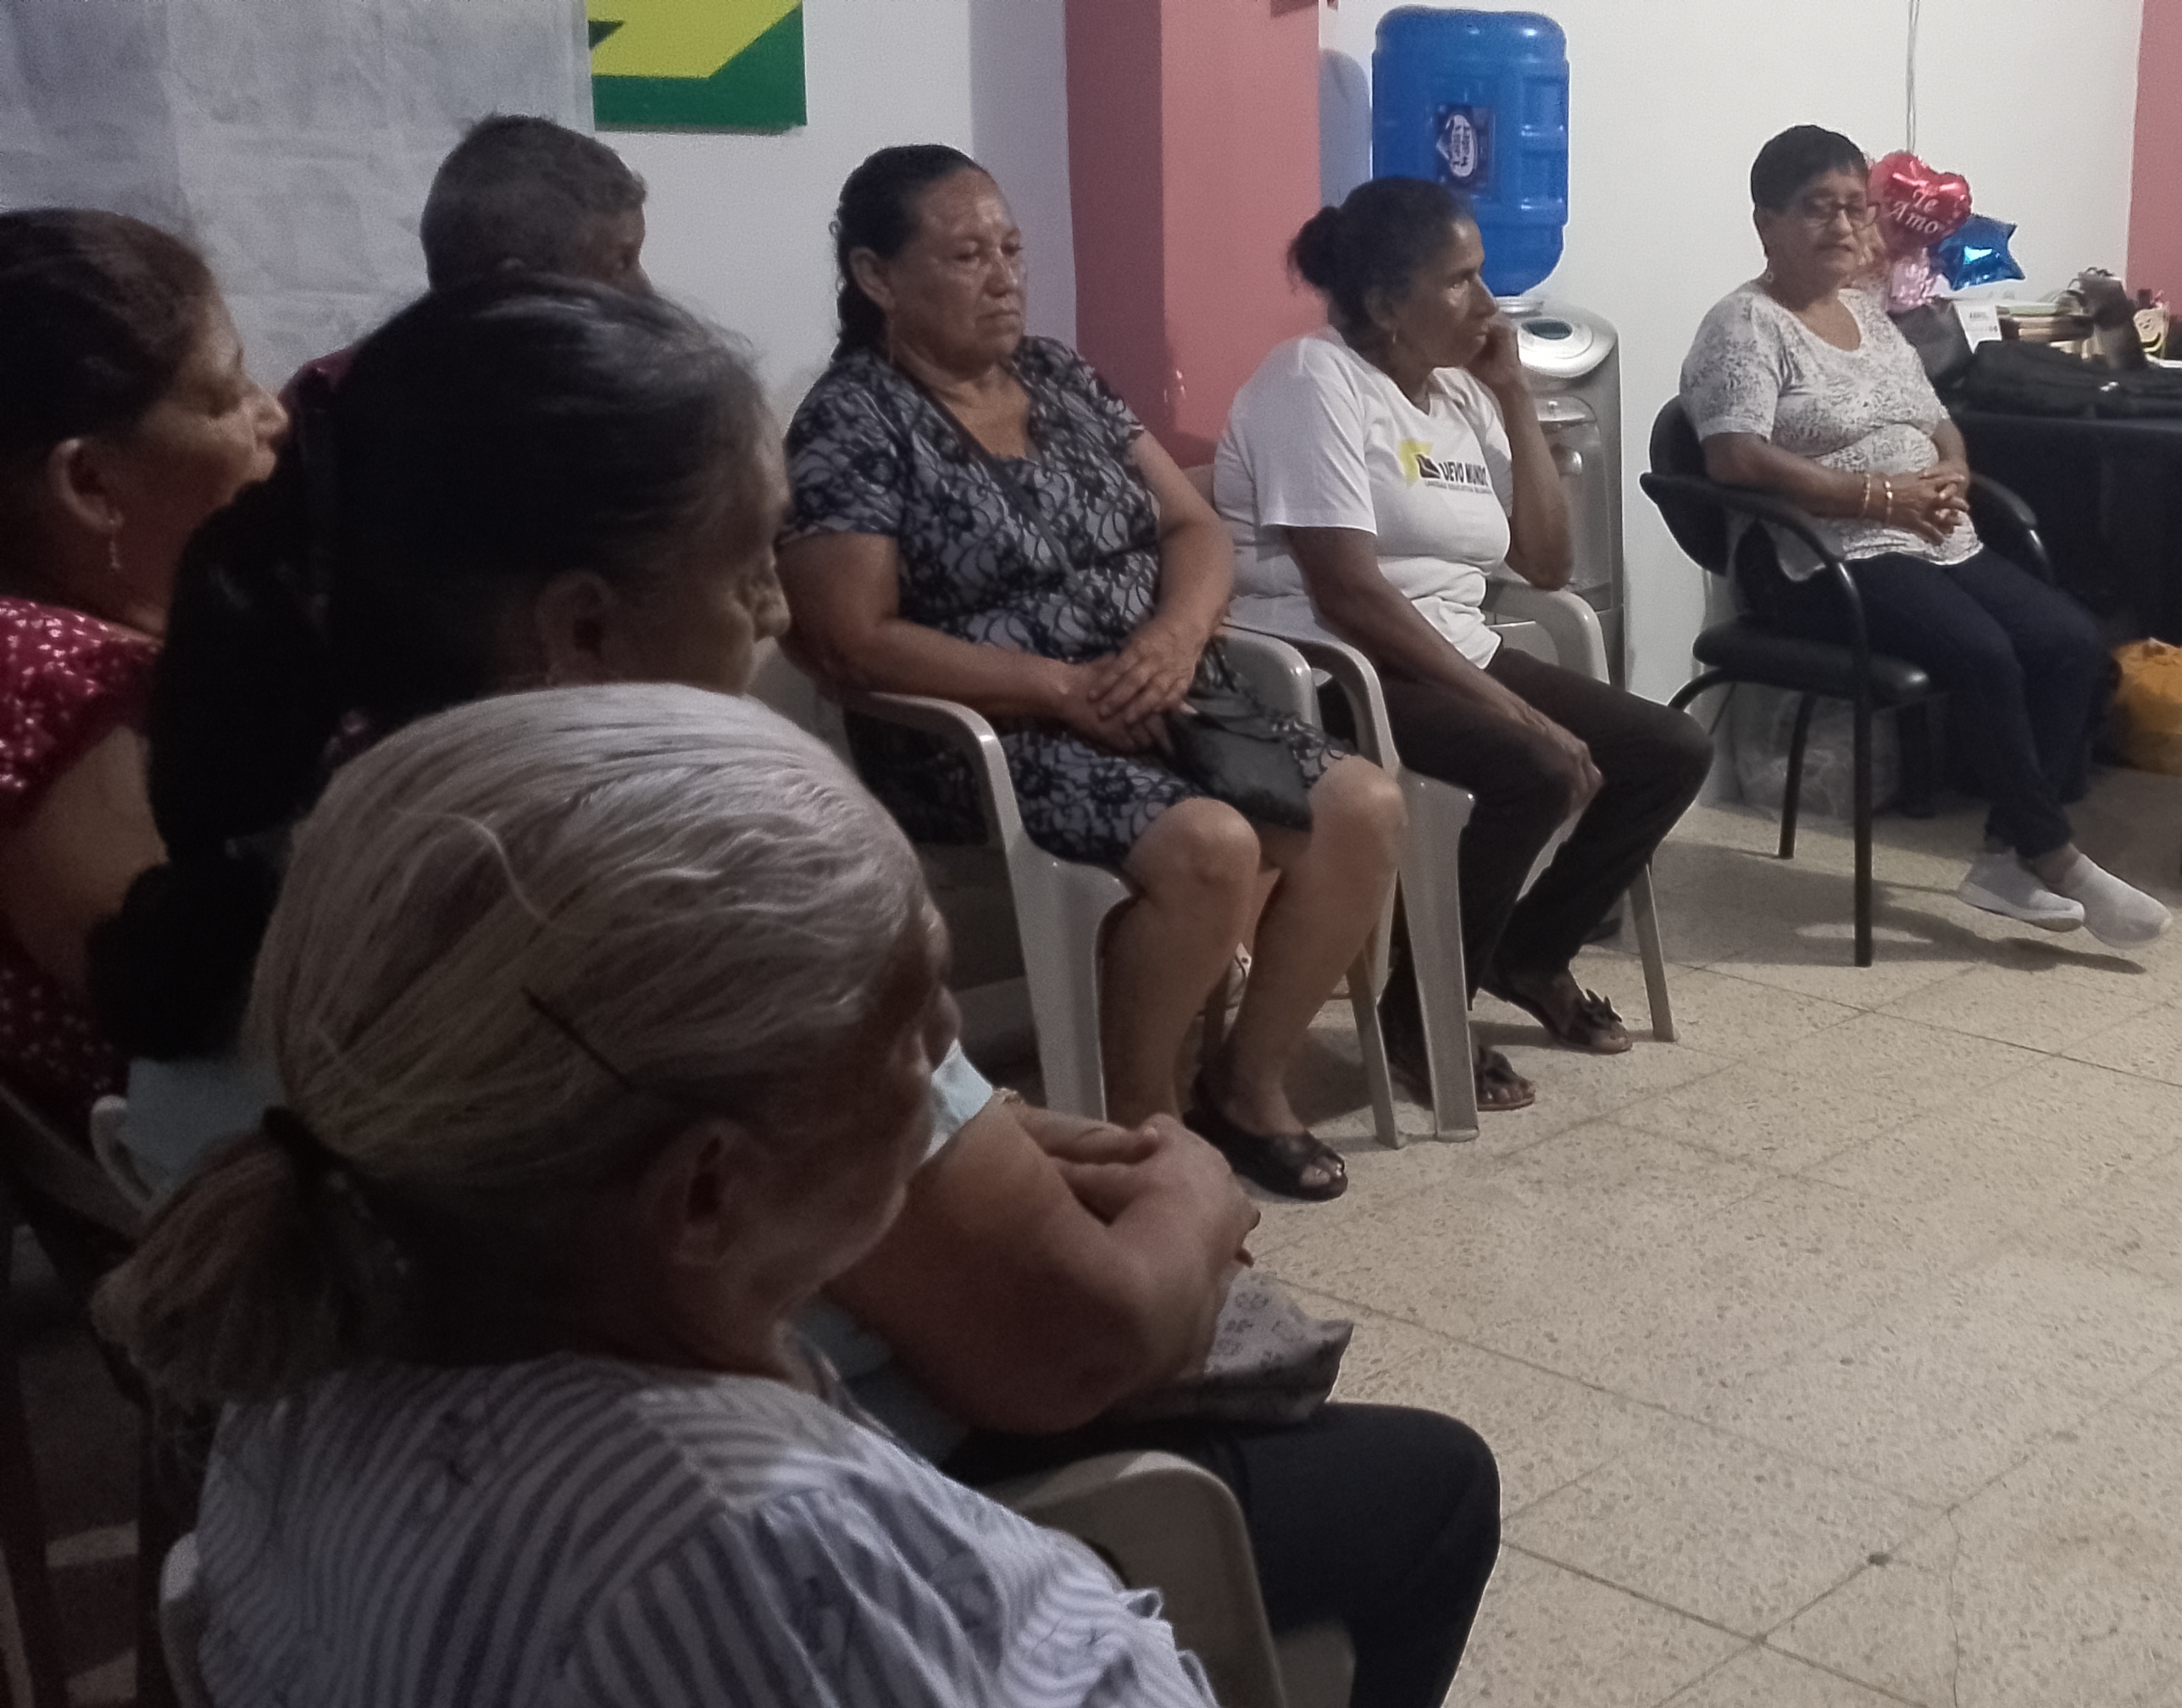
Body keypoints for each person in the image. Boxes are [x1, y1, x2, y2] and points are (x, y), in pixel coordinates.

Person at [96, 276, 1501, 1706]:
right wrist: (1188, 1190)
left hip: (438, 1534)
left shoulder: (274, 881)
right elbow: (1069, 1342)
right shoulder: (679, 925)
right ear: (580, 631)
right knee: (1431, 1484)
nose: (774, 619)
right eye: (745, 577)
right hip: (901, 1481)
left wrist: (981, 1133)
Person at [97, 684, 1221, 1706]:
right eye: (915, 1019)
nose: (952, 1038)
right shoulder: (736, 1553)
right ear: (707, 1192)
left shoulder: (301, 1372)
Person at [781, 145, 1403, 1195]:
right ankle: (1143, 1130)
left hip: (1164, 692)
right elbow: (850, 639)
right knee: (1209, 843)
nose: (1004, 278)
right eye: (968, 256)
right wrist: (1061, 689)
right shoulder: (855, 419)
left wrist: (1173, 638)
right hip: (987, 736)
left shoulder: (1061, 377)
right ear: (876, 277)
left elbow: (1193, 526)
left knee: (1365, 806)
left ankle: (1247, 1083)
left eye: (1011, 250)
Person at [1219, 175, 1710, 1112]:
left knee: (1668, 751)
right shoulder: (1313, 381)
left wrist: (1514, 398)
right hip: (1331, 667)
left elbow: (1547, 563)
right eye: (1458, 280)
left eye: (1481, 275)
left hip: (1449, 650)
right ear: (1382, 304)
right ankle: (1419, 1018)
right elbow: (1348, 592)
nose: (1487, 302)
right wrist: (1512, 709)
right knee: (1534, 769)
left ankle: (1530, 953)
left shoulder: (1458, 395)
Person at [1676, 125, 2167, 947]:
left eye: (1853, 207)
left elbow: (1936, 420)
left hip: (1927, 535)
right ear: (1767, 223)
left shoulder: (1867, 315)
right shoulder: (1744, 325)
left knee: (2070, 642)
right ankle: (2053, 856)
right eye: (1817, 208)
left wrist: (1954, 471)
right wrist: (1875, 495)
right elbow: (1734, 456)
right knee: (1983, 652)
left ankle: (2006, 858)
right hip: (1815, 555)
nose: (1841, 225)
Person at [0, 210, 281, 1145]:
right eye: (227, 393)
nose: (272, 415)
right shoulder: (66, 683)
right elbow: (213, 1019)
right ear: (90, 484)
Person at [284, 112, 651, 414]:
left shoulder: (325, 394)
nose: (645, 289)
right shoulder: (327, 407)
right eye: (620, 263)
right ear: (514, 291)